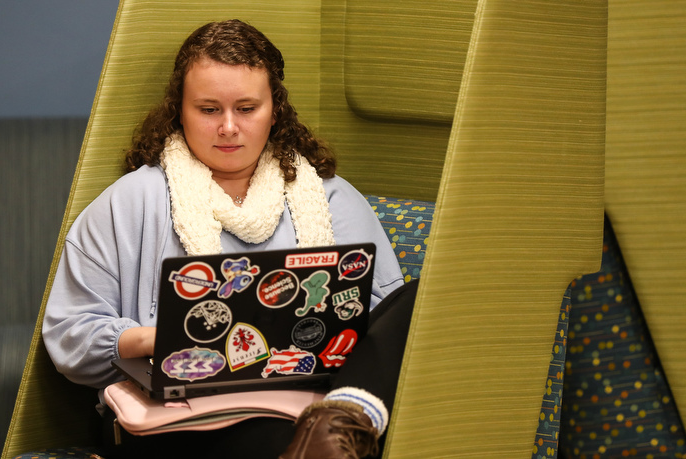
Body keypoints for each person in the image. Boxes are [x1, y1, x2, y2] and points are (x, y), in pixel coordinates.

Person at [42, 19, 418, 459]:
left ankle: (340, 424)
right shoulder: (128, 204)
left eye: (246, 108)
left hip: (304, 401)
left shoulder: (333, 198)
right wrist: (154, 338)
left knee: (416, 300)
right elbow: (69, 335)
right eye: (208, 109)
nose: (228, 127)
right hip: (175, 416)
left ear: (274, 109)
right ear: (178, 111)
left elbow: (384, 331)